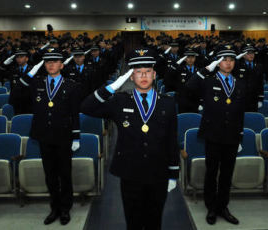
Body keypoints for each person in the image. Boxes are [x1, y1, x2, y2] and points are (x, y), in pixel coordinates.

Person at [81, 48, 179, 230]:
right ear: (131, 77)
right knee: (132, 221)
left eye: (148, 71)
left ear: (154, 74)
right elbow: (86, 107)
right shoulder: (120, 101)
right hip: (130, 172)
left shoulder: (167, 102)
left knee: (155, 221)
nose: (143, 76)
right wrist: (111, 87)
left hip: (158, 172)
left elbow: (172, 139)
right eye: (138, 72)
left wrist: (173, 173)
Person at [18, 48, 81, 225]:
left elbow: (75, 113)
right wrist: (31, 72)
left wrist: (76, 136)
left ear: (61, 65)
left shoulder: (71, 86)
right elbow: (17, 92)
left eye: (54, 62)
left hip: (63, 136)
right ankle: (54, 207)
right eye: (47, 62)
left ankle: (65, 209)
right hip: (44, 136)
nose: (51, 65)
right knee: (50, 175)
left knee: (65, 174)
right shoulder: (37, 83)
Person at [185, 47, 246, 225]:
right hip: (213, 134)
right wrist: (206, 69)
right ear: (218, 62)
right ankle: (211, 207)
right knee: (211, 172)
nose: (228, 63)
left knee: (227, 174)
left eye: (232, 60)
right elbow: (189, 87)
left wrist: (240, 135)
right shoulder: (208, 81)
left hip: (232, 136)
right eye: (224, 59)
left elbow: (240, 112)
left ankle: (223, 206)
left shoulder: (240, 83)